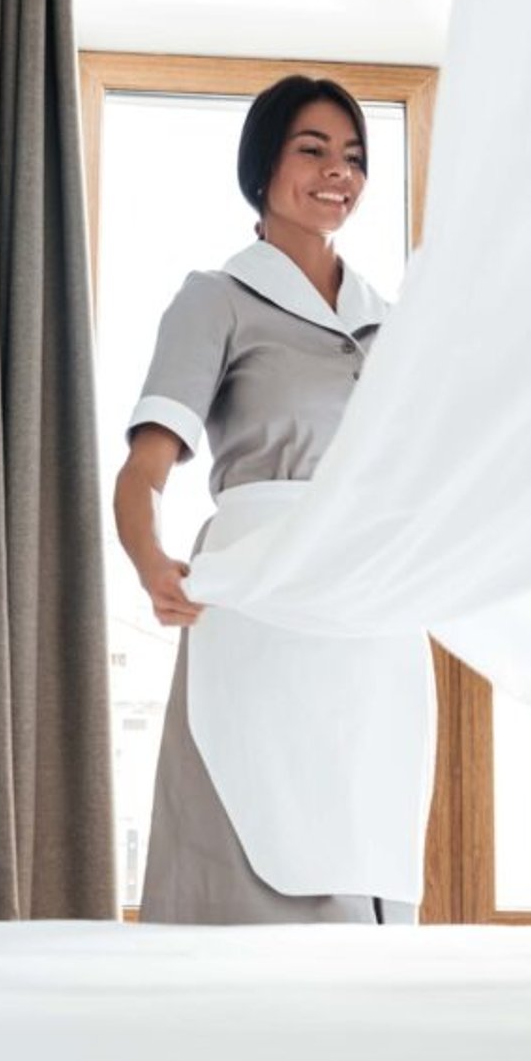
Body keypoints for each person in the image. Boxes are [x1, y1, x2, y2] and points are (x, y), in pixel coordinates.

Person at [113, 75, 434, 925]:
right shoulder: (215, 299)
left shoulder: (393, 324)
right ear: (262, 168)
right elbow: (144, 470)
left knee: (366, 823)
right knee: (256, 828)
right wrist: (152, 563)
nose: (339, 173)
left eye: (354, 158)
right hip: (261, 592)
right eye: (313, 150)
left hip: (370, 609)